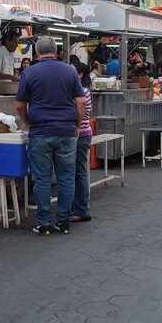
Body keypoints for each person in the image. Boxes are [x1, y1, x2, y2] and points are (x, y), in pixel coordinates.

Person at [16, 36, 86, 236]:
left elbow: (20, 104)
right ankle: (63, 222)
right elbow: (81, 102)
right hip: (66, 131)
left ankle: (44, 223)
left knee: (42, 179)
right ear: (56, 51)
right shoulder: (70, 71)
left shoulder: (29, 72)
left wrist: (27, 122)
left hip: (40, 132)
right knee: (66, 178)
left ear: (37, 52)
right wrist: (77, 125)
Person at [70, 61, 93, 223]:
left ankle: (82, 210)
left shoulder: (82, 91)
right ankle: (79, 208)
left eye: (72, 71)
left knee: (79, 173)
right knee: (78, 172)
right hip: (82, 134)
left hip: (81, 134)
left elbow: (78, 113)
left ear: (80, 75)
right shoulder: (80, 90)